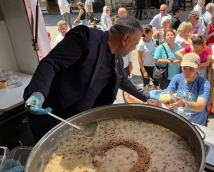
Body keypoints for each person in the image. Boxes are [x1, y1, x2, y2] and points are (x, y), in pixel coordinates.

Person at [24, 17, 153, 142]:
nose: (134, 48)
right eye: (135, 44)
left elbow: (124, 82)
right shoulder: (85, 37)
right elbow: (52, 62)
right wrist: (38, 92)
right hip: (52, 114)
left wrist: (148, 96)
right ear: (125, 39)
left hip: (80, 121)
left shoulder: (117, 60)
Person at [166, 53, 211, 126]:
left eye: (191, 69)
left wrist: (183, 103)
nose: (187, 72)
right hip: (178, 122)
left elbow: (200, 106)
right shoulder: (177, 78)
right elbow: (168, 94)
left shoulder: (204, 83)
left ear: (198, 67)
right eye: (185, 68)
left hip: (196, 125)